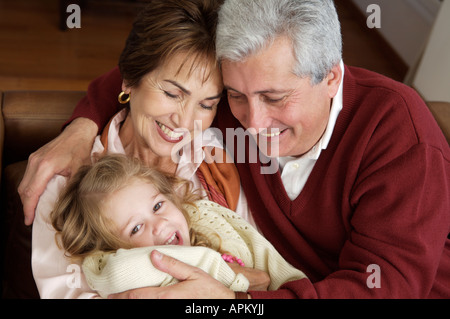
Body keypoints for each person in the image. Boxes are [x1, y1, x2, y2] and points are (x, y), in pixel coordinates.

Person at [22, 0, 449, 299]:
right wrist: (80, 128)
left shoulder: (399, 136)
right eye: (234, 96)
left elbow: (387, 289)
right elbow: (153, 69)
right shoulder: (224, 109)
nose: (254, 126)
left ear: (333, 78)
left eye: (276, 98)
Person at [29, 0, 261, 299]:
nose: (186, 121)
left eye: (206, 104)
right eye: (172, 93)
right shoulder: (68, 178)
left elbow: (257, 271)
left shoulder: (218, 162)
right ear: (127, 81)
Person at [50, 154, 306, 298]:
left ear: (170, 197)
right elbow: (116, 272)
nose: (159, 224)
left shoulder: (207, 217)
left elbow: (274, 265)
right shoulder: (120, 267)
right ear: (112, 247)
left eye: (158, 206)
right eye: (136, 228)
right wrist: (224, 272)